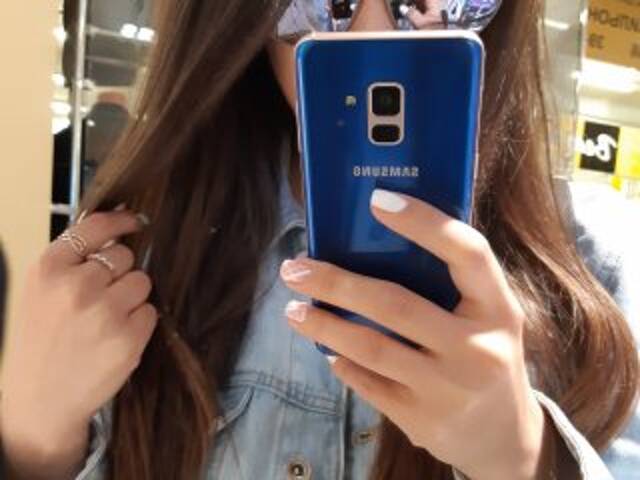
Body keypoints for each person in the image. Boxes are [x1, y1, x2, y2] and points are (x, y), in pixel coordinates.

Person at [1, 1, 639, 479]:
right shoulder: (133, 262)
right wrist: (32, 437)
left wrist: (524, 458)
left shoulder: (598, 272)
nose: (372, 34)